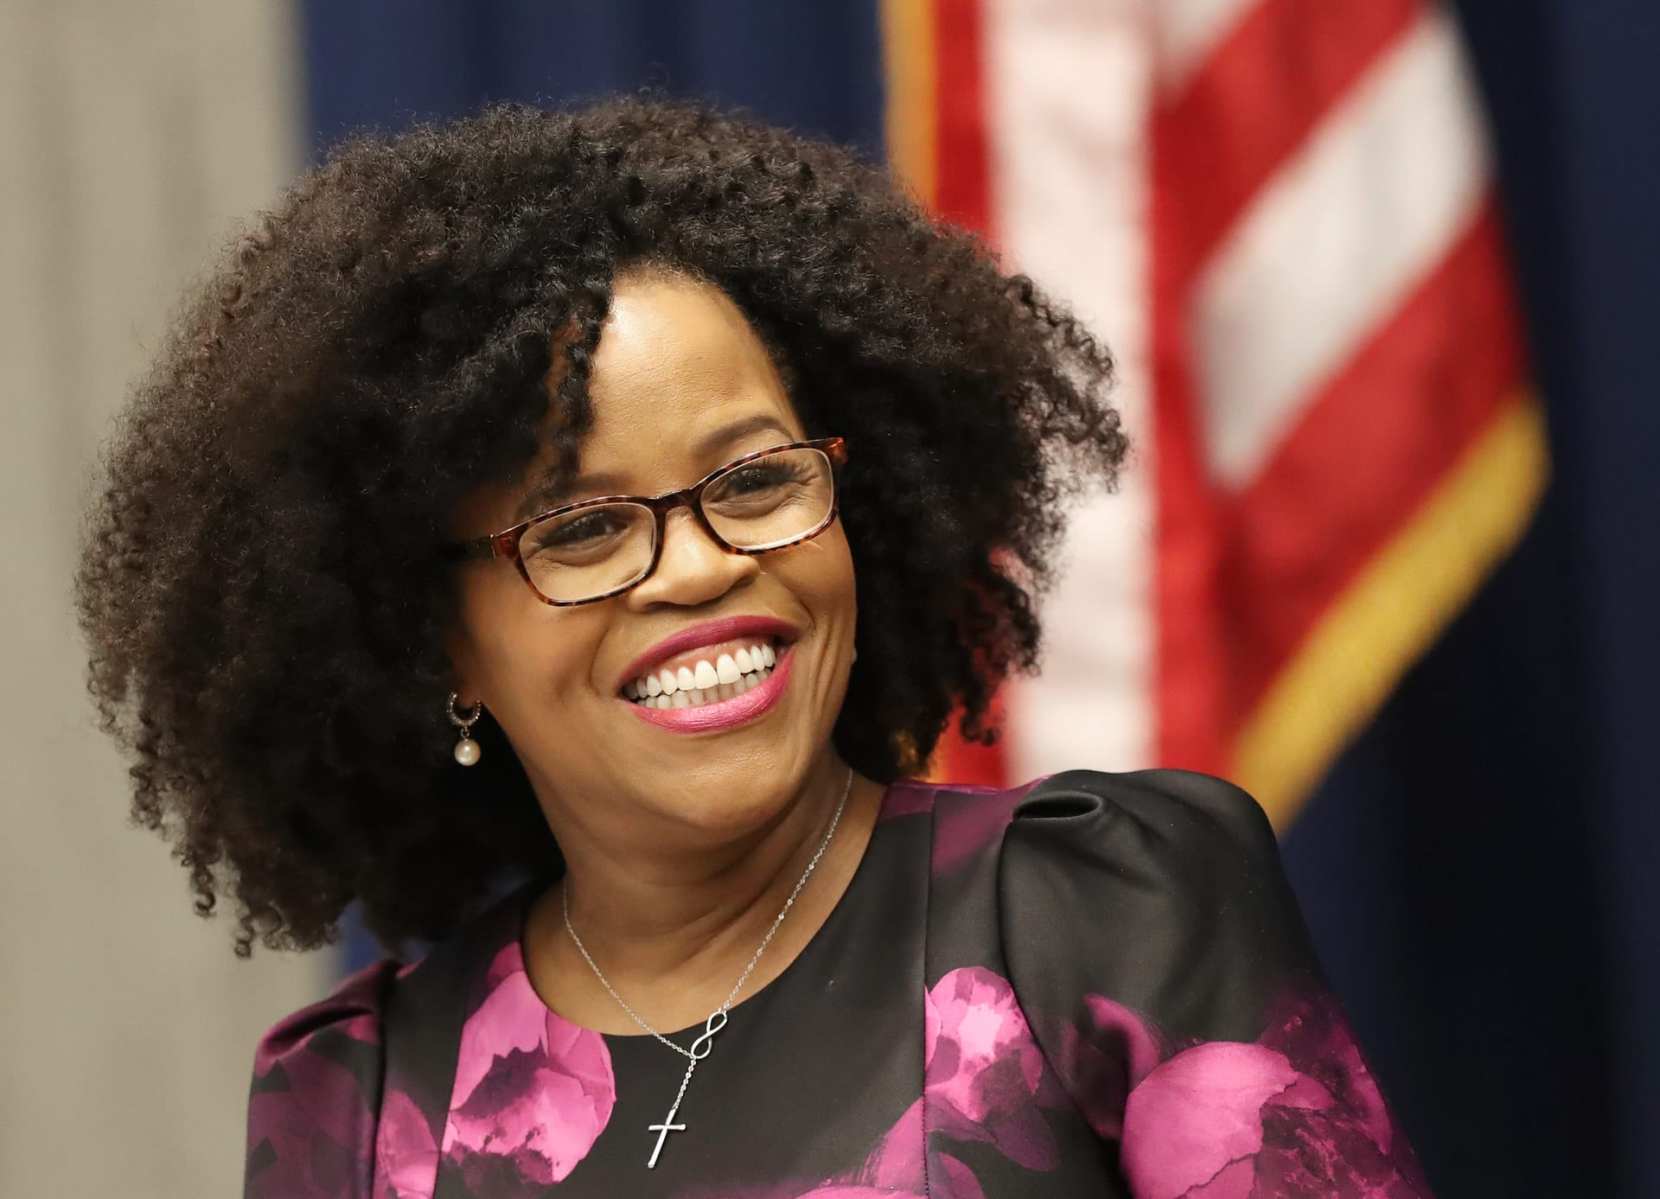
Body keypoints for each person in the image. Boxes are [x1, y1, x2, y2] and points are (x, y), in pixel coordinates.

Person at [74, 98, 1430, 1197]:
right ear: (439, 644)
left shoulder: (1103, 914)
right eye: (587, 527)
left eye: (755, 481)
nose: (707, 562)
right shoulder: (356, 1106)